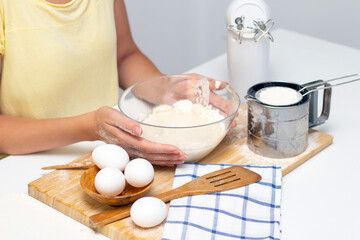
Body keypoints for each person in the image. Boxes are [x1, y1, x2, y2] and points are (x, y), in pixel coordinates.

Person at [0, 0, 234, 166]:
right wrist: (89, 127)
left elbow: (124, 55)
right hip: (26, 166)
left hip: (110, 150)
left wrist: (163, 89)